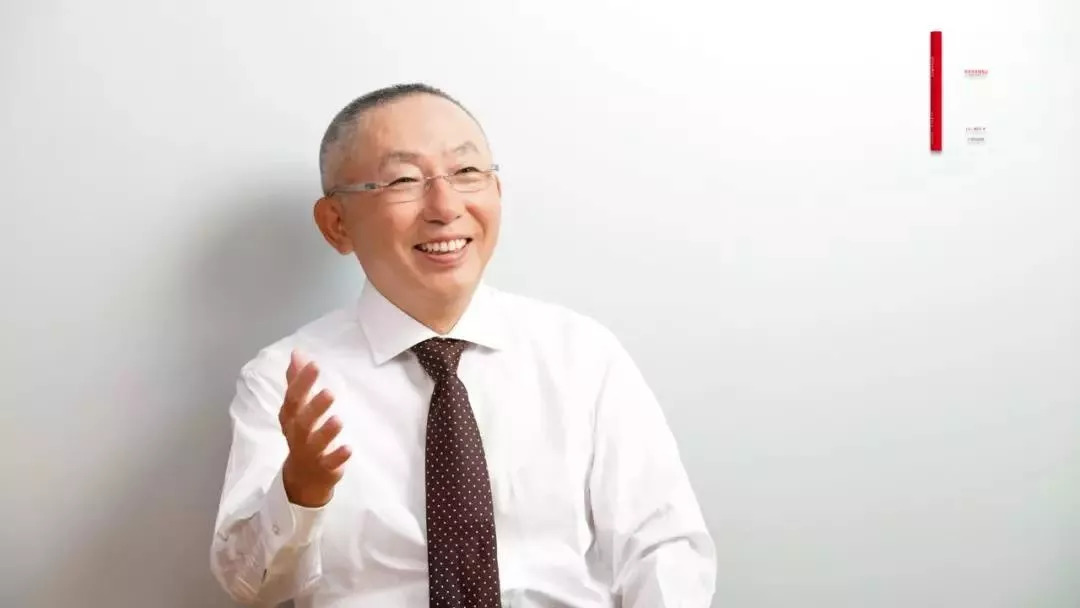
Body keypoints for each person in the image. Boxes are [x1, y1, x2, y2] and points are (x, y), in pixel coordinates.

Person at [209, 83, 716, 607]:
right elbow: (251, 588)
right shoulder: (284, 379)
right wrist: (300, 491)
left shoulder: (582, 354)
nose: (445, 207)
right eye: (404, 180)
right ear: (337, 224)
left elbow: (664, 547)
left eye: (467, 172)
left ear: (497, 190)